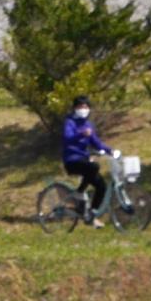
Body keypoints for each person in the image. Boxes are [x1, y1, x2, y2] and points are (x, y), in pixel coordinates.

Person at [62, 95, 114, 227]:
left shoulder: (88, 125)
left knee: (102, 186)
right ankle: (79, 192)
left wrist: (110, 151)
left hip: (84, 161)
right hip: (72, 160)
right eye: (80, 107)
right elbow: (68, 137)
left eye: (85, 107)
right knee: (94, 166)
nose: (83, 109)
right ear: (74, 108)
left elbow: (96, 143)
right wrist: (81, 134)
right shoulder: (70, 122)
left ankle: (92, 215)